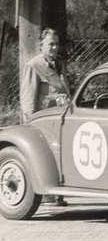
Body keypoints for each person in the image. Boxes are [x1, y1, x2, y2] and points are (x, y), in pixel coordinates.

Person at [20, 28, 71, 207]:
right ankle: (46, 195)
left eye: (57, 44)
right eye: (51, 44)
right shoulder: (34, 65)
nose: (55, 48)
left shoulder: (59, 63)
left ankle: (57, 193)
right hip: (43, 119)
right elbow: (28, 96)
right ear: (41, 45)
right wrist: (30, 121)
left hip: (60, 118)